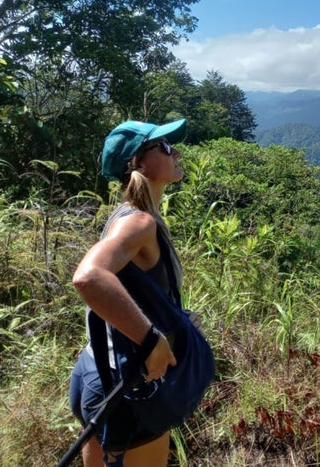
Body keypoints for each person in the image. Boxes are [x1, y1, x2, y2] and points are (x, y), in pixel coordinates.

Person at [68, 118, 196, 466]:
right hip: (127, 385)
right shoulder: (139, 222)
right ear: (140, 163)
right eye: (165, 146)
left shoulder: (126, 216)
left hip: (96, 372)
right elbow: (89, 276)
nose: (176, 151)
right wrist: (150, 338)